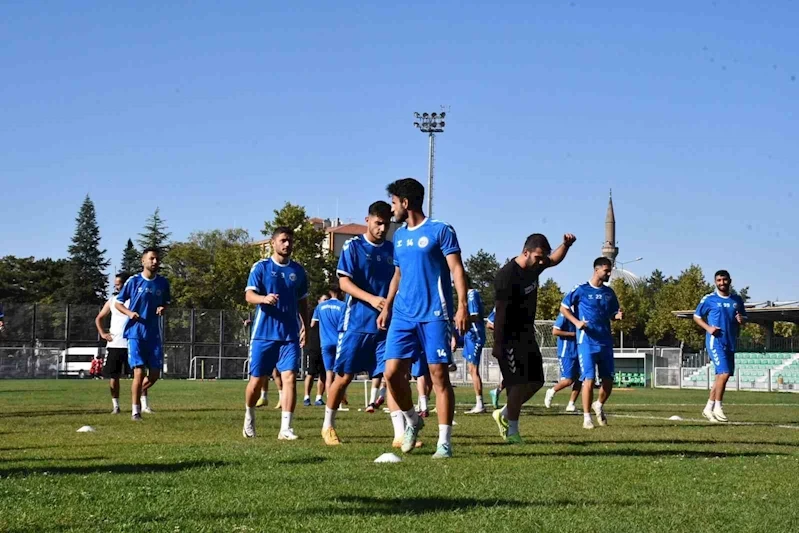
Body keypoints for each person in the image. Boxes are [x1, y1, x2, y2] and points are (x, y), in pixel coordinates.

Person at [378, 178, 469, 459]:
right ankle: (412, 420)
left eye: (394, 203)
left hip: (434, 315)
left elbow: (457, 269)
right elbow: (398, 274)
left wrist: (462, 305)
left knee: (438, 376)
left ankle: (444, 442)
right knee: (391, 373)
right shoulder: (399, 237)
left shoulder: (440, 230)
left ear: (406, 203)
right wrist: (387, 306)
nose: (392, 209)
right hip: (403, 315)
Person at [321, 201, 395, 445]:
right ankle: (328, 426)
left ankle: (400, 434)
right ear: (368, 220)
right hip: (356, 323)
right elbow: (344, 283)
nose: (382, 229)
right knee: (344, 377)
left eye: (386, 224)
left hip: (385, 325)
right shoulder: (353, 246)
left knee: (392, 376)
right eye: (378, 223)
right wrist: (372, 299)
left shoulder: (392, 250)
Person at [492, 233, 576, 443]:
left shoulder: (535, 266)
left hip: (526, 335)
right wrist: (499, 344)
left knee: (537, 381)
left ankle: (504, 413)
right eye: (538, 257)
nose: (541, 262)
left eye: (542, 258)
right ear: (525, 252)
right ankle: (512, 431)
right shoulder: (506, 275)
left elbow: (554, 259)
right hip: (508, 338)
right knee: (517, 384)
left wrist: (566, 245)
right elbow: (500, 314)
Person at [242, 226, 308, 440]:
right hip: (263, 335)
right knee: (256, 381)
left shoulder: (298, 271)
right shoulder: (261, 267)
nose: (287, 244)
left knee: (290, 377)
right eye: (283, 240)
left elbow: (303, 301)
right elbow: (249, 295)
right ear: (273, 243)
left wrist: (305, 326)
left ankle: (285, 429)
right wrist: (263, 299)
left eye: (290, 241)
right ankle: (249, 416)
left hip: (289, 336)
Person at [560, 257, 623, 430]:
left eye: (610, 271)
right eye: (606, 270)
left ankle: (599, 404)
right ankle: (587, 418)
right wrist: (577, 322)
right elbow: (563, 307)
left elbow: (613, 313)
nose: (609, 274)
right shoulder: (581, 289)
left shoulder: (609, 293)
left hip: (605, 341)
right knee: (588, 379)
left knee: (608, 381)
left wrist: (617, 316)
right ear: (596, 270)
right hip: (586, 342)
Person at [115, 248, 171, 421]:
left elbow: (166, 302)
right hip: (135, 333)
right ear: (143, 261)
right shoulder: (133, 281)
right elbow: (118, 303)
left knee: (154, 375)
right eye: (151, 258)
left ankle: (136, 392)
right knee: (138, 372)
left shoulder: (162, 282)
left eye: (157, 259)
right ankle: (135, 411)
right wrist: (129, 313)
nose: (155, 262)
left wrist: (163, 308)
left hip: (153, 334)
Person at [693, 270, 747, 423]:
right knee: (724, 373)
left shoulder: (737, 299)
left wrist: (742, 319)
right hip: (715, 342)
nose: (722, 283)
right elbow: (696, 316)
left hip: (730, 342)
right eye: (719, 280)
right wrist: (708, 328)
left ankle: (708, 408)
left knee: (721, 377)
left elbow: (744, 316)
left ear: (730, 280)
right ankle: (718, 407)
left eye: (724, 280)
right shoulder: (709, 299)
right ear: (715, 282)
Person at [95, 273, 131, 414]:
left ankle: (142, 405)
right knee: (114, 376)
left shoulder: (135, 299)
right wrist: (103, 333)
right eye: (115, 284)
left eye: (119, 284)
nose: (116, 287)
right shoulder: (112, 300)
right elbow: (99, 318)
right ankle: (116, 406)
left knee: (139, 374)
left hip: (132, 343)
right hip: (115, 344)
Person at [312, 285, 346, 404]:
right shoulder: (343, 306)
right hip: (339, 341)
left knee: (328, 373)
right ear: (340, 293)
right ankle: (339, 398)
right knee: (340, 372)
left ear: (330, 292)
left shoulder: (320, 306)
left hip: (325, 342)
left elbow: (313, 324)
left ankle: (329, 400)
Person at [543, 308, 581, 412]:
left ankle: (571, 404)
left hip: (579, 351)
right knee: (568, 380)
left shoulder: (581, 313)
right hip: (566, 352)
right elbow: (555, 331)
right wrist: (573, 334)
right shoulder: (564, 314)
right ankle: (551, 391)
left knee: (580, 379)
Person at [463, 288, 487, 414]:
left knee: (473, 369)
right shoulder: (465, 296)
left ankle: (480, 404)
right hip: (469, 336)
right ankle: (478, 403)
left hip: (475, 336)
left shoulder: (471, 294)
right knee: (470, 368)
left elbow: (475, 315)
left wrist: (460, 318)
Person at [303, 295, 328, 406]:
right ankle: (306, 397)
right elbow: (307, 326)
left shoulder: (329, 313)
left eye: (327, 300)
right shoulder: (313, 312)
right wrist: (303, 337)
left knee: (323, 373)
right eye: (324, 300)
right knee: (311, 373)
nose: (326, 302)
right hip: (312, 346)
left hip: (324, 346)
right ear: (318, 301)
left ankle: (319, 397)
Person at [485, 307, 504, 409]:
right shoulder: (501, 305)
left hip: (519, 342)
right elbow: (489, 324)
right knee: (515, 375)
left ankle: (497, 391)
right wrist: (503, 329)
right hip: (506, 344)